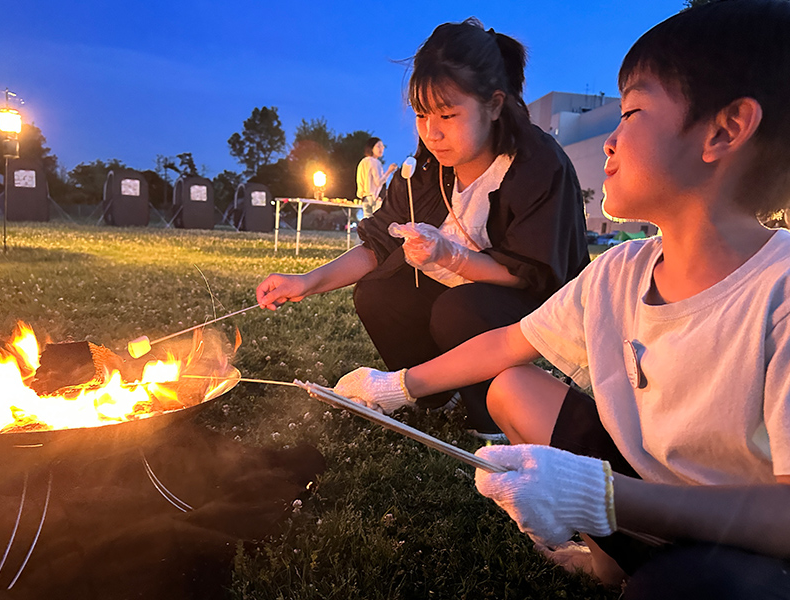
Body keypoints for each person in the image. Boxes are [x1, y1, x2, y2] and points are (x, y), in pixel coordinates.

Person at [333, 1, 790, 596]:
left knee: (691, 586)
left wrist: (599, 497)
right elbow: (507, 343)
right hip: (641, 497)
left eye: (632, 112)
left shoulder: (777, 291)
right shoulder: (622, 270)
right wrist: (395, 386)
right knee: (513, 386)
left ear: (724, 131)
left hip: (744, 540)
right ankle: (611, 561)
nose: (610, 140)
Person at [257, 19, 589, 438]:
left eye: (448, 114)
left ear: (494, 104)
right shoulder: (426, 168)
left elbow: (532, 271)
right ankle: (435, 394)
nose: (432, 132)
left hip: (529, 303)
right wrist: (306, 282)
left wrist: (450, 257)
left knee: (459, 310)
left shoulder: (537, 165)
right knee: (378, 292)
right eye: (421, 114)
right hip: (460, 293)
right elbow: (379, 241)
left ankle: (491, 417)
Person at [356, 137, 397, 217]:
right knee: (376, 223)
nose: (381, 149)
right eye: (378, 146)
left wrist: (361, 195)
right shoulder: (375, 162)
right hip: (374, 197)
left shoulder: (362, 162)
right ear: (371, 148)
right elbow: (378, 182)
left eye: (382, 147)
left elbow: (359, 181)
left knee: (367, 221)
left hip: (365, 197)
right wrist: (389, 171)